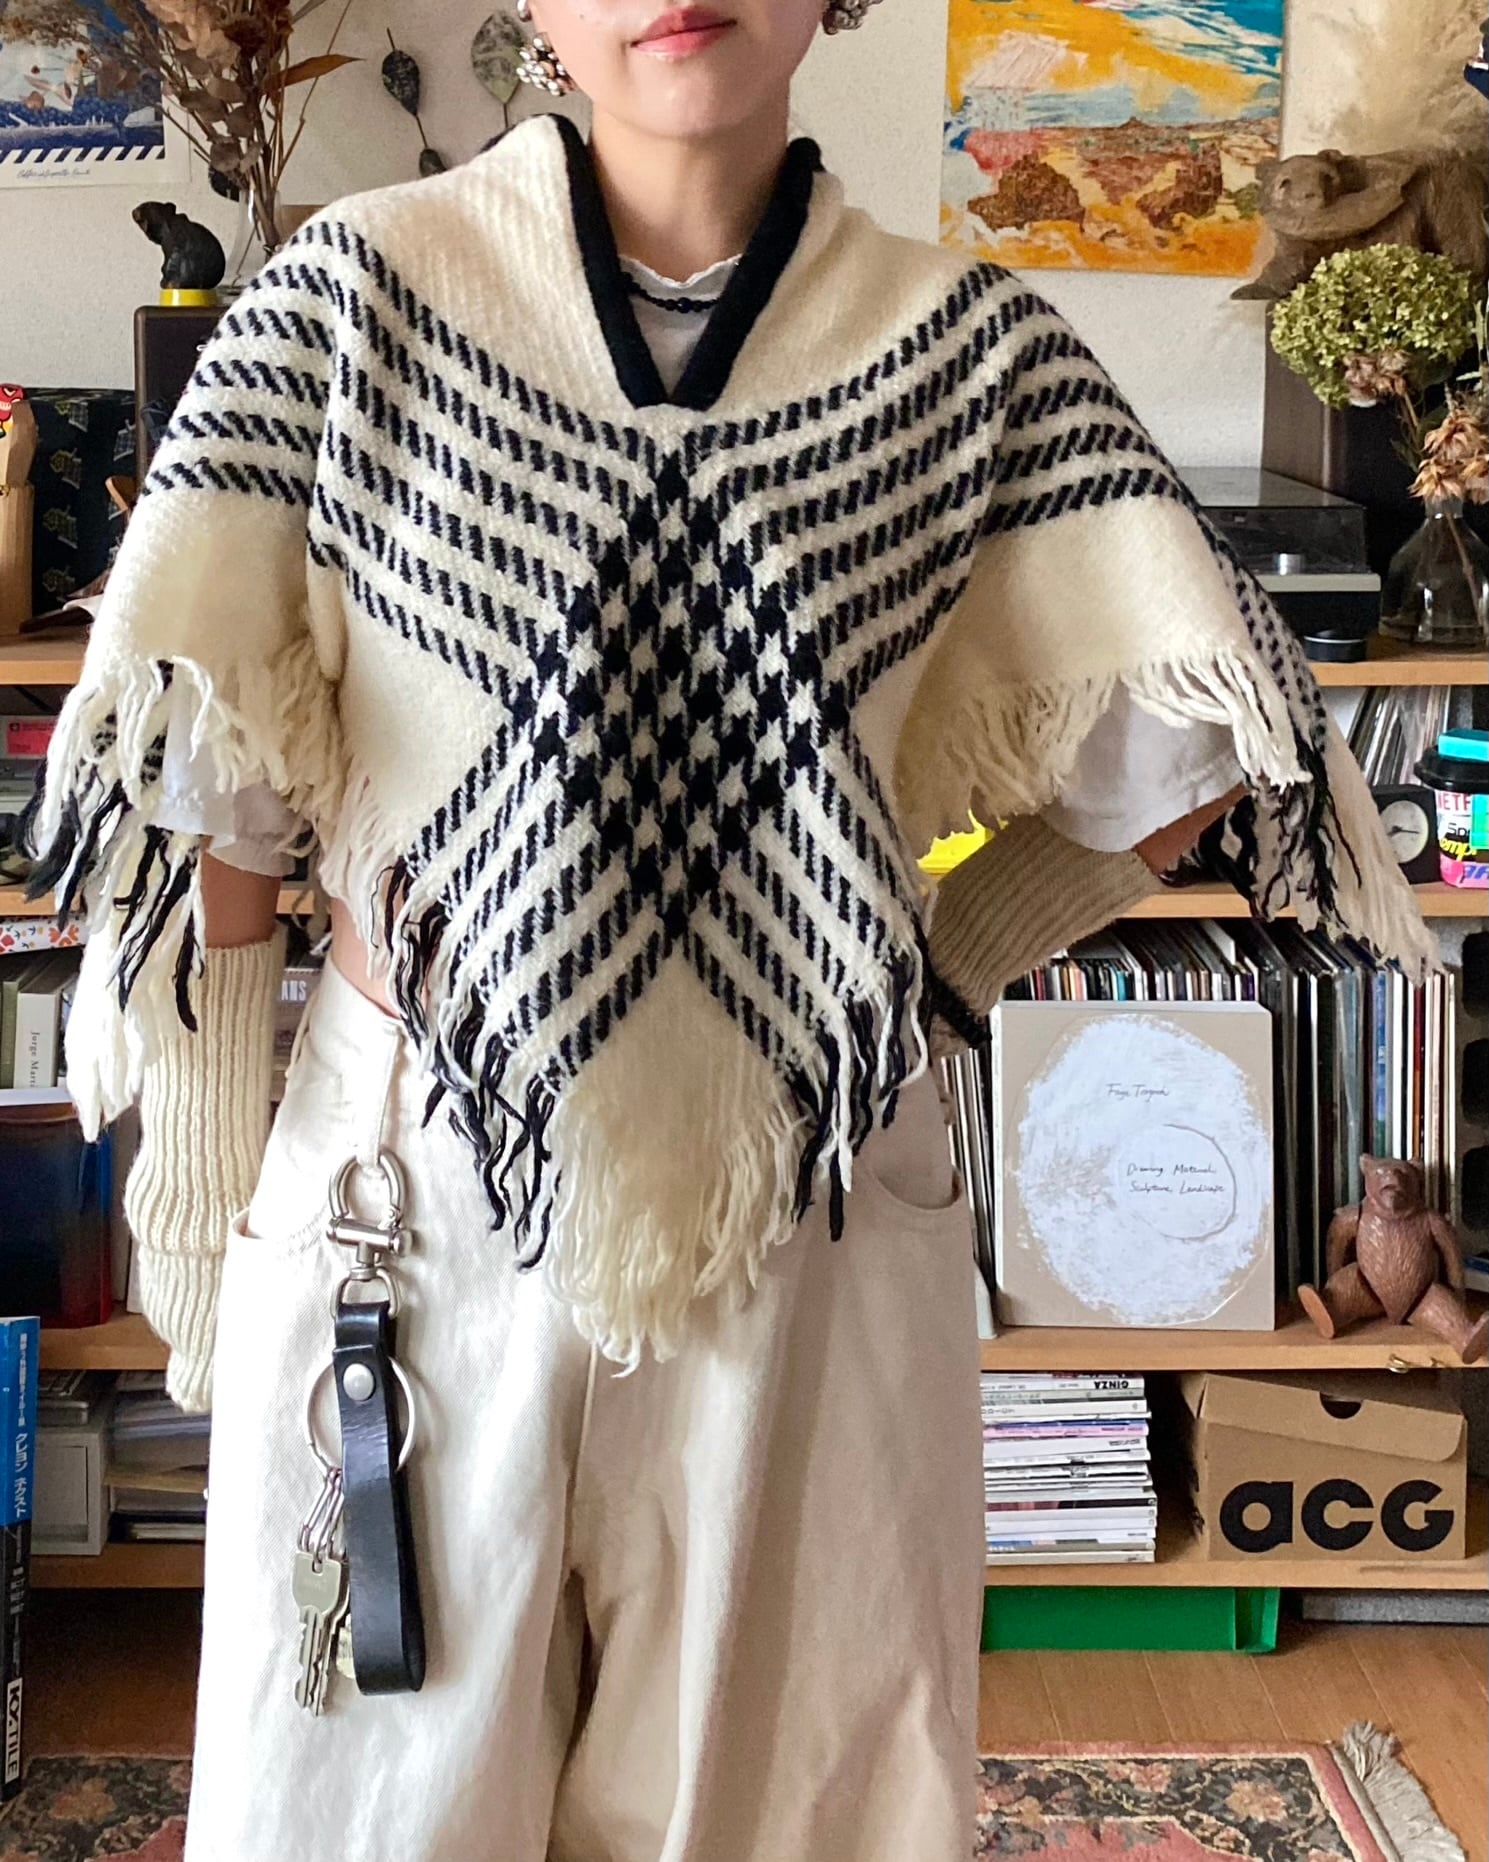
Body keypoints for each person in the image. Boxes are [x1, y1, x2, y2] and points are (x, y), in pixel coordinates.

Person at [30, 0, 1431, 1855]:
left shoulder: (965, 350)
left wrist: (928, 961)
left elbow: (1193, 736)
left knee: (791, 1810)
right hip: (407, 1186)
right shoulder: (352, 298)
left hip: (814, 1205)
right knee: (359, 1813)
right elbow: (210, 752)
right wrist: (210, 1161)